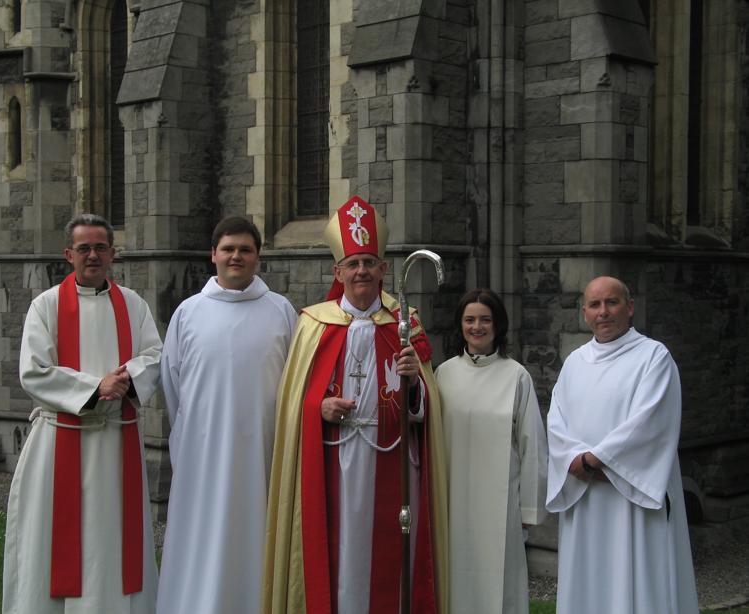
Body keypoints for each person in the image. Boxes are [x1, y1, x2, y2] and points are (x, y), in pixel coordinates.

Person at [262, 196, 448, 614]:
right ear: (338, 271)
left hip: (395, 460)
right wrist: (319, 409)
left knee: (390, 558)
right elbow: (294, 403)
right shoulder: (313, 323)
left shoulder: (406, 322)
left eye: (369, 261)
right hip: (334, 465)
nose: (361, 270)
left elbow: (429, 406)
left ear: (384, 269)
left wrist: (415, 382)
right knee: (339, 554)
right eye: (353, 263)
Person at [3, 213, 162, 614]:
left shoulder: (133, 304)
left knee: (112, 539)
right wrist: (95, 388)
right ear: (68, 254)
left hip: (115, 441)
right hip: (59, 443)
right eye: (84, 248)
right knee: (53, 540)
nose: (93, 255)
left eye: (101, 247)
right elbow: (34, 371)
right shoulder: (47, 306)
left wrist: (126, 378)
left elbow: (156, 356)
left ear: (113, 253)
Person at [156, 217, 297, 613]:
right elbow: (173, 383)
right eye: (228, 248)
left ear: (258, 257)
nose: (236, 256)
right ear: (213, 254)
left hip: (263, 452)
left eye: (245, 249)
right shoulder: (188, 312)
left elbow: (295, 381)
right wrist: (195, 434)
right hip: (203, 454)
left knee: (257, 537)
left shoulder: (281, 311)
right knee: (202, 539)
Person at [546, 276, 698, 614]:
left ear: (629, 307)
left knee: (639, 582)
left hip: (633, 500)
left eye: (612, 302)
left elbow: (649, 423)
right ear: (584, 312)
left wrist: (592, 462)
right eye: (595, 305)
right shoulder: (575, 363)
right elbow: (556, 422)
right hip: (585, 499)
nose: (603, 312)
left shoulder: (653, 358)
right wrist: (575, 460)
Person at [436, 288, 547, 614]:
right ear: (460, 325)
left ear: (498, 324)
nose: (477, 326)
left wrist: (528, 510)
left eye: (485, 319)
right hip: (452, 500)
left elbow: (533, 446)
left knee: (498, 584)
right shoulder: (444, 374)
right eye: (470, 320)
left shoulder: (517, 377)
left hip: (501, 506)